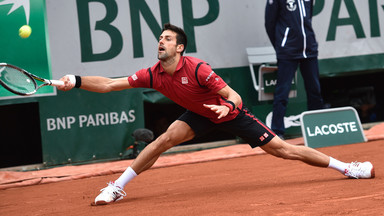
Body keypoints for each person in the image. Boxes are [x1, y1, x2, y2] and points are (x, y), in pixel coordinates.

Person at [58, 23, 374, 206]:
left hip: (228, 113)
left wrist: (228, 108)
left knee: (284, 149)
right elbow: (111, 84)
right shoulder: (152, 74)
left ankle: (348, 168)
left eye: (167, 39)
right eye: (160, 38)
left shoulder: (198, 69)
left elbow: (233, 95)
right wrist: (77, 81)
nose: (161, 42)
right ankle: (118, 186)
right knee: (164, 139)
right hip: (198, 114)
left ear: (179, 47)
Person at [265, 0, 324, 138]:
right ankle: (277, 132)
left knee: (315, 89)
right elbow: (269, 23)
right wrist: (281, 45)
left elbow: (308, 18)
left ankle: (318, 128)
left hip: (309, 50)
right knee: (282, 92)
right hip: (287, 52)